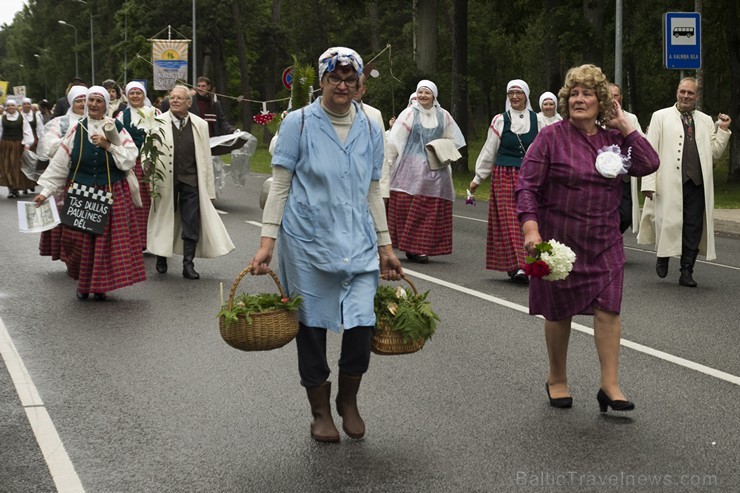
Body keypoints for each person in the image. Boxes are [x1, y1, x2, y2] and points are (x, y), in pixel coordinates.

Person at [250, 47, 402, 443]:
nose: (342, 86)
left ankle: (348, 401)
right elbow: (280, 185)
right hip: (307, 241)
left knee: (360, 323)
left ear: (359, 84)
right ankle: (320, 410)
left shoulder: (371, 125)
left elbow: (373, 190)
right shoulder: (298, 124)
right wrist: (267, 242)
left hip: (359, 240)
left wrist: (386, 246)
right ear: (321, 81)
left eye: (350, 80)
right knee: (312, 326)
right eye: (335, 78)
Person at [516, 64, 659, 412]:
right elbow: (526, 186)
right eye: (574, 93)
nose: (579, 99)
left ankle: (610, 385)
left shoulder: (614, 139)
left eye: (588, 93)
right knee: (558, 310)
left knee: (609, 308)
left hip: (604, 240)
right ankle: (557, 377)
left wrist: (625, 126)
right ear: (566, 100)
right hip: (560, 241)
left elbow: (649, 163)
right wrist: (531, 230)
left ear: (601, 102)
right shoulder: (551, 137)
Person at [33, 85, 145, 300]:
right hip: (81, 191)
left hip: (111, 189)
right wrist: (45, 192)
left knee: (105, 242)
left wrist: (108, 146)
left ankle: (99, 286)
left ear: (105, 104)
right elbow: (61, 163)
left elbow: (129, 158)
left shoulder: (116, 128)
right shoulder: (77, 129)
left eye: (98, 101)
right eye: (90, 100)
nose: (93, 104)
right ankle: (83, 282)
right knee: (78, 241)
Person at [637, 77, 731, 287]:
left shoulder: (706, 120)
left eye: (690, 93)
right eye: (683, 92)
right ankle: (662, 255)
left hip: (697, 185)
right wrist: (648, 183)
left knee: (693, 228)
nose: (686, 96)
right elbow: (648, 152)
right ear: (677, 93)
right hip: (669, 183)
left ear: (696, 96)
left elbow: (714, 152)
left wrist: (723, 130)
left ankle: (686, 270)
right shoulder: (660, 117)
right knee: (667, 223)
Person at [146, 85, 235, 279]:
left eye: (179, 98)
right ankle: (161, 256)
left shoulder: (200, 124)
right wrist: (149, 172)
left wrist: (210, 191)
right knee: (165, 219)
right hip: (165, 181)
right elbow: (149, 152)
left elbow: (205, 158)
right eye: (172, 97)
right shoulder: (157, 122)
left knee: (191, 221)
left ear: (189, 102)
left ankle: (188, 264)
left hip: (191, 180)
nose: (175, 100)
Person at [387, 80, 465, 263]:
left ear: (434, 96)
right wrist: (389, 163)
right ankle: (411, 246)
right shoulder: (409, 114)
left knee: (431, 210)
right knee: (409, 206)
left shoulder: (443, 115)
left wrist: (442, 147)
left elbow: (454, 138)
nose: (423, 96)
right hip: (411, 168)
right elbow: (395, 139)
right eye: (420, 92)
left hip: (436, 168)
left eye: (427, 93)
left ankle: (421, 247)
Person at [469, 79, 538, 283]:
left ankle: (525, 264)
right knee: (509, 220)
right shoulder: (500, 120)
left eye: (518, 92)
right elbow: (489, 150)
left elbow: (546, 151)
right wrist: (477, 178)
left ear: (526, 95)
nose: (515, 96)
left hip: (530, 176)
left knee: (527, 219)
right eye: (511, 93)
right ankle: (520, 266)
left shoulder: (538, 120)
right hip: (504, 175)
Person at [37, 86, 88, 262]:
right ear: (71, 103)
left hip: (87, 177)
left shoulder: (97, 121)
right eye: (78, 100)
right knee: (66, 221)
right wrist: (70, 140)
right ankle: (69, 256)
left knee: (86, 219)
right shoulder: (61, 122)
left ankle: (84, 256)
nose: (83, 104)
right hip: (64, 178)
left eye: (85, 100)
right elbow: (49, 147)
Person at [117, 81, 158, 248]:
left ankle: (153, 239)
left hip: (151, 164)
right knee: (132, 201)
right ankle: (135, 240)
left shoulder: (155, 113)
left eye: (138, 93)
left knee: (152, 202)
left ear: (144, 95)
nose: (135, 96)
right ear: (127, 96)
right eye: (132, 93)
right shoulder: (121, 116)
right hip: (131, 165)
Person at [609, 83, 645, 234]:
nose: (612, 99)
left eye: (615, 95)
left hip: (624, 175)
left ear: (621, 97)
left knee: (626, 215)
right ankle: (610, 242)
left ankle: (612, 236)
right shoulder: (597, 117)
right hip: (604, 175)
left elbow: (641, 140)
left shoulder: (631, 118)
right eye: (609, 95)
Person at [353, 74, 390, 204]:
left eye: (359, 86)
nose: (356, 89)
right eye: (353, 84)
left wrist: (384, 190)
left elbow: (383, 154)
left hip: (367, 185)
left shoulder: (374, 114)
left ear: (364, 89)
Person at [0, 99, 36, 198]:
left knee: (16, 166)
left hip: (17, 145)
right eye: (8, 105)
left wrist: (27, 143)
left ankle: (15, 187)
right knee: (5, 167)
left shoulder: (22, 118)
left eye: (12, 105)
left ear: (16, 107)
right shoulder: (2, 118)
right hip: (5, 144)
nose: (10, 107)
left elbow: (27, 131)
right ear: (6, 107)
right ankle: (11, 189)